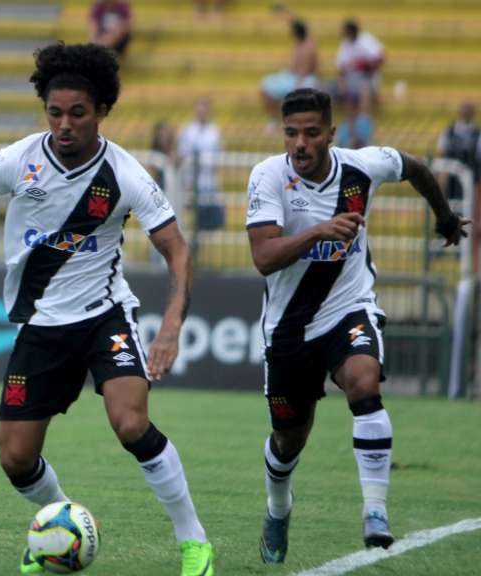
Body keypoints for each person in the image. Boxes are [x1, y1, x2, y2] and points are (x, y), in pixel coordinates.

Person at [0, 42, 215, 576]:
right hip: (40, 327)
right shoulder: (20, 159)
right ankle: (62, 524)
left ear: (102, 112)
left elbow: (177, 248)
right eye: (55, 113)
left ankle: (193, 541)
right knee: (15, 458)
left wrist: (171, 324)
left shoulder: (125, 174)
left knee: (131, 423)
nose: (64, 125)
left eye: (77, 114)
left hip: (104, 316)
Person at [245, 88, 469, 564]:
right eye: (291, 133)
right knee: (288, 440)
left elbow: (418, 168)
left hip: (349, 308)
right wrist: (316, 232)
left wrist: (445, 216)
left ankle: (375, 511)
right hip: (287, 331)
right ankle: (278, 507)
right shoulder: (267, 177)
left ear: (331, 133)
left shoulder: (365, 165)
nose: (299, 143)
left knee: (364, 381)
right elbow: (263, 258)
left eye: (310, 133)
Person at [178, 97, 224, 230]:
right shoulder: (188, 130)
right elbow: (183, 155)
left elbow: (219, 155)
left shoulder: (214, 131)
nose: (201, 112)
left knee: (209, 221)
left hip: (209, 181)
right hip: (191, 180)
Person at [261, 19, 318, 124]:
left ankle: (293, 122)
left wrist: (298, 83)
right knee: (265, 85)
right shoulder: (298, 42)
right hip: (291, 75)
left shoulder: (309, 45)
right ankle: (272, 120)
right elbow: (296, 20)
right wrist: (283, 12)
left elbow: (307, 68)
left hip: (306, 78)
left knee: (296, 93)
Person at [336, 19, 384, 114]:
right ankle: (350, 124)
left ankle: (364, 120)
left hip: (367, 78)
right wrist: (341, 83)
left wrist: (368, 70)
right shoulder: (345, 44)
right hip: (351, 79)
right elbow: (341, 68)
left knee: (364, 90)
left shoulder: (366, 40)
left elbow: (380, 58)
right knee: (341, 89)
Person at [436, 102, 480, 200]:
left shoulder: (477, 134)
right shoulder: (449, 132)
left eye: (468, 110)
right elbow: (441, 153)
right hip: (450, 181)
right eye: (464, 110)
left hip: (471, 182)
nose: (466, 113)